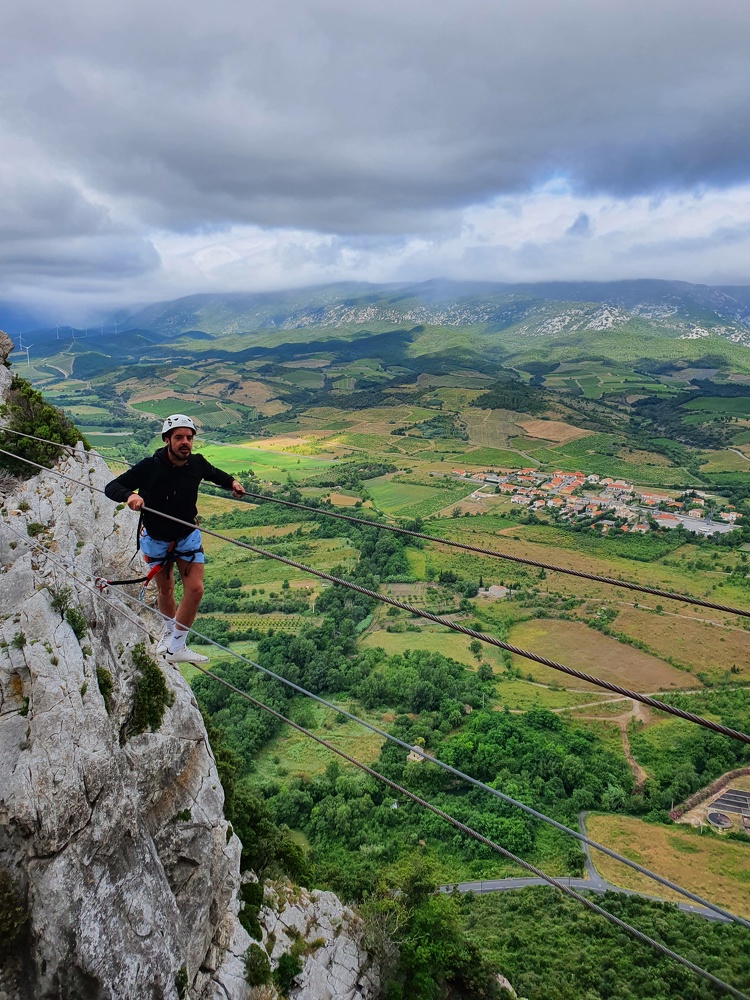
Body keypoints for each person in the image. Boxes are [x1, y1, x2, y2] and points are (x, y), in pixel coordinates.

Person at [104, 414, 245, 663]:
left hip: (186, 535)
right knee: (166, 589)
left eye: (189, 437)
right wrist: (129, 496)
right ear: (167, 440)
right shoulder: (150, 466)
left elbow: (215, 474)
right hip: (156, 538)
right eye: (179, 437)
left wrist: (232, 483)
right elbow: (112, 486)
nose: (185, 442)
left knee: (196, 589)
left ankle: (177, 646)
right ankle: (169, 634)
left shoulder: (197, 463)